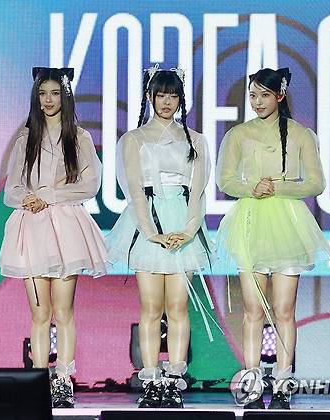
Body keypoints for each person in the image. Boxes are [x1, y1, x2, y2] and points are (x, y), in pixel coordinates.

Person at [215, 67, 330, 409]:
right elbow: (224, 179)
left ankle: (282, 383)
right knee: (253, 310)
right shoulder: (238, 134)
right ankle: (252, 382)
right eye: (253, 95)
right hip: (251, 220)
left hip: (287, 222)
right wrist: (251, 187)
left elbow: (316, 183)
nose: (257, 102)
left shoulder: (301, 135)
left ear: (279, 96)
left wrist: (278, 187)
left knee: (284, 310)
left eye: (264, 95)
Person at [106, 64, 216, 408]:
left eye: (173, 95)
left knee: (178, 306)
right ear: (149, 97)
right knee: (151, 307)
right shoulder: (134, 139)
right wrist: (152, 232)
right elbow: (134, 190)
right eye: (161, 95)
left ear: (181, 99)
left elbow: (198, 192)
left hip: (182, 222)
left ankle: (174, 379)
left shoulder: (195, 140)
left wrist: (188, 230)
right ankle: (151, 378)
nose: (167, 102)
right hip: (148, 224)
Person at [0, 67, 108, 408]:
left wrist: (51, 196)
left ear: (65, 97)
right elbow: (11, 189)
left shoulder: (79, 137)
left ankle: (63, 380)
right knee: (39, 314)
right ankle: (38, 381)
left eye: (55, 94)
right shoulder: (25, 139)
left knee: (64, 311)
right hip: (32, 226)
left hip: (65, 227)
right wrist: (29, 198)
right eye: (43, 94)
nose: (48, 100)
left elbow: (90, 184)